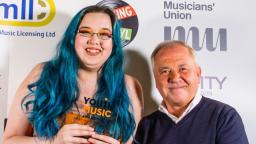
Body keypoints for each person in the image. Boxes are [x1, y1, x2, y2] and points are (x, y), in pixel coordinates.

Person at [3, 5, 143, 144]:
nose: (94, 40)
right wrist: (52, 142)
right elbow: (9, 141)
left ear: (114, 43)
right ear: (72, 37)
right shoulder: (43, 73)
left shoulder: (129, 86)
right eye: (85, 32)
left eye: (104, 34)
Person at [134, 40, 249, 144]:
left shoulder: (224, 117)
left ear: (198, 74)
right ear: (156, 79)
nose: (174, 77)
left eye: (183, 69)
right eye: (165, 71)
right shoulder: (146, 126)